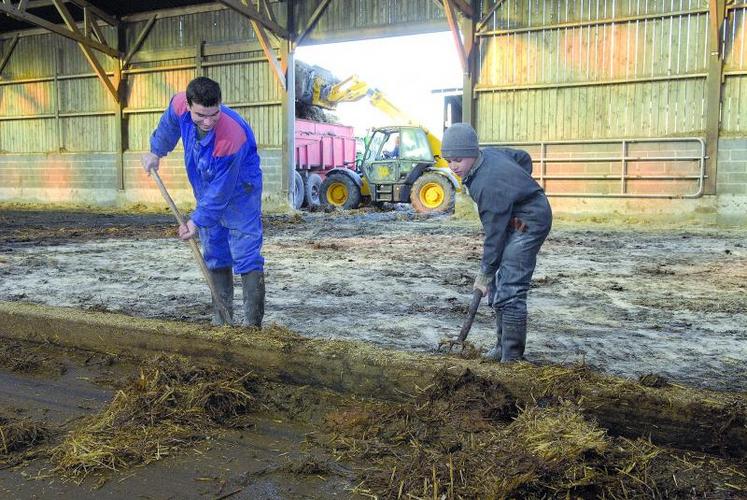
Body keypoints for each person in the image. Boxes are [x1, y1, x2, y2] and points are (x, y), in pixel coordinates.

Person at [141, 77, 265, 327]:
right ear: (188, 105)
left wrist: (196, 221)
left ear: (220, 105)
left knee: (245, 252)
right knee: (216, 252)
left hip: (241, 189)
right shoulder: (178, 105)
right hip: (206, 184)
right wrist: (156, 152)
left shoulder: (231, 136)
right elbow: (168, 127)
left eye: (214, 114)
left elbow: (221, 191)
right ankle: (223, 321)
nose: (208, 122)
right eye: (200, 115)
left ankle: (253, 329)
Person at [442, 123, 552, 362]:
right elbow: (522, 158)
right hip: (516, 216)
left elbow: (494, 236)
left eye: (458, 160)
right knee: (501, 285)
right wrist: (514, 190)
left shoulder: (487, 184)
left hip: (531, 219)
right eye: (448, 160)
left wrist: (485, 273)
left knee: (510, 287)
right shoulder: (488, 155)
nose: (453, 166)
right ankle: (502, 348)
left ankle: (512, 359)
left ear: (472, 153)